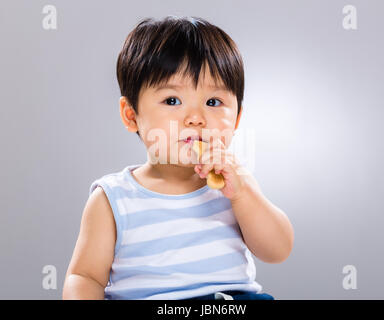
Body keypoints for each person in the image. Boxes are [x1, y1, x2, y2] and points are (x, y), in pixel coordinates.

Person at [62, 15, 294, 300]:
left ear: (236, 119)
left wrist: (243, 195)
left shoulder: (235, 184)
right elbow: (85, 277)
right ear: (131, 115)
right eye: (172, 100)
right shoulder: (113, 198)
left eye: (213, 102)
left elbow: (277, 250)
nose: (195, 118)